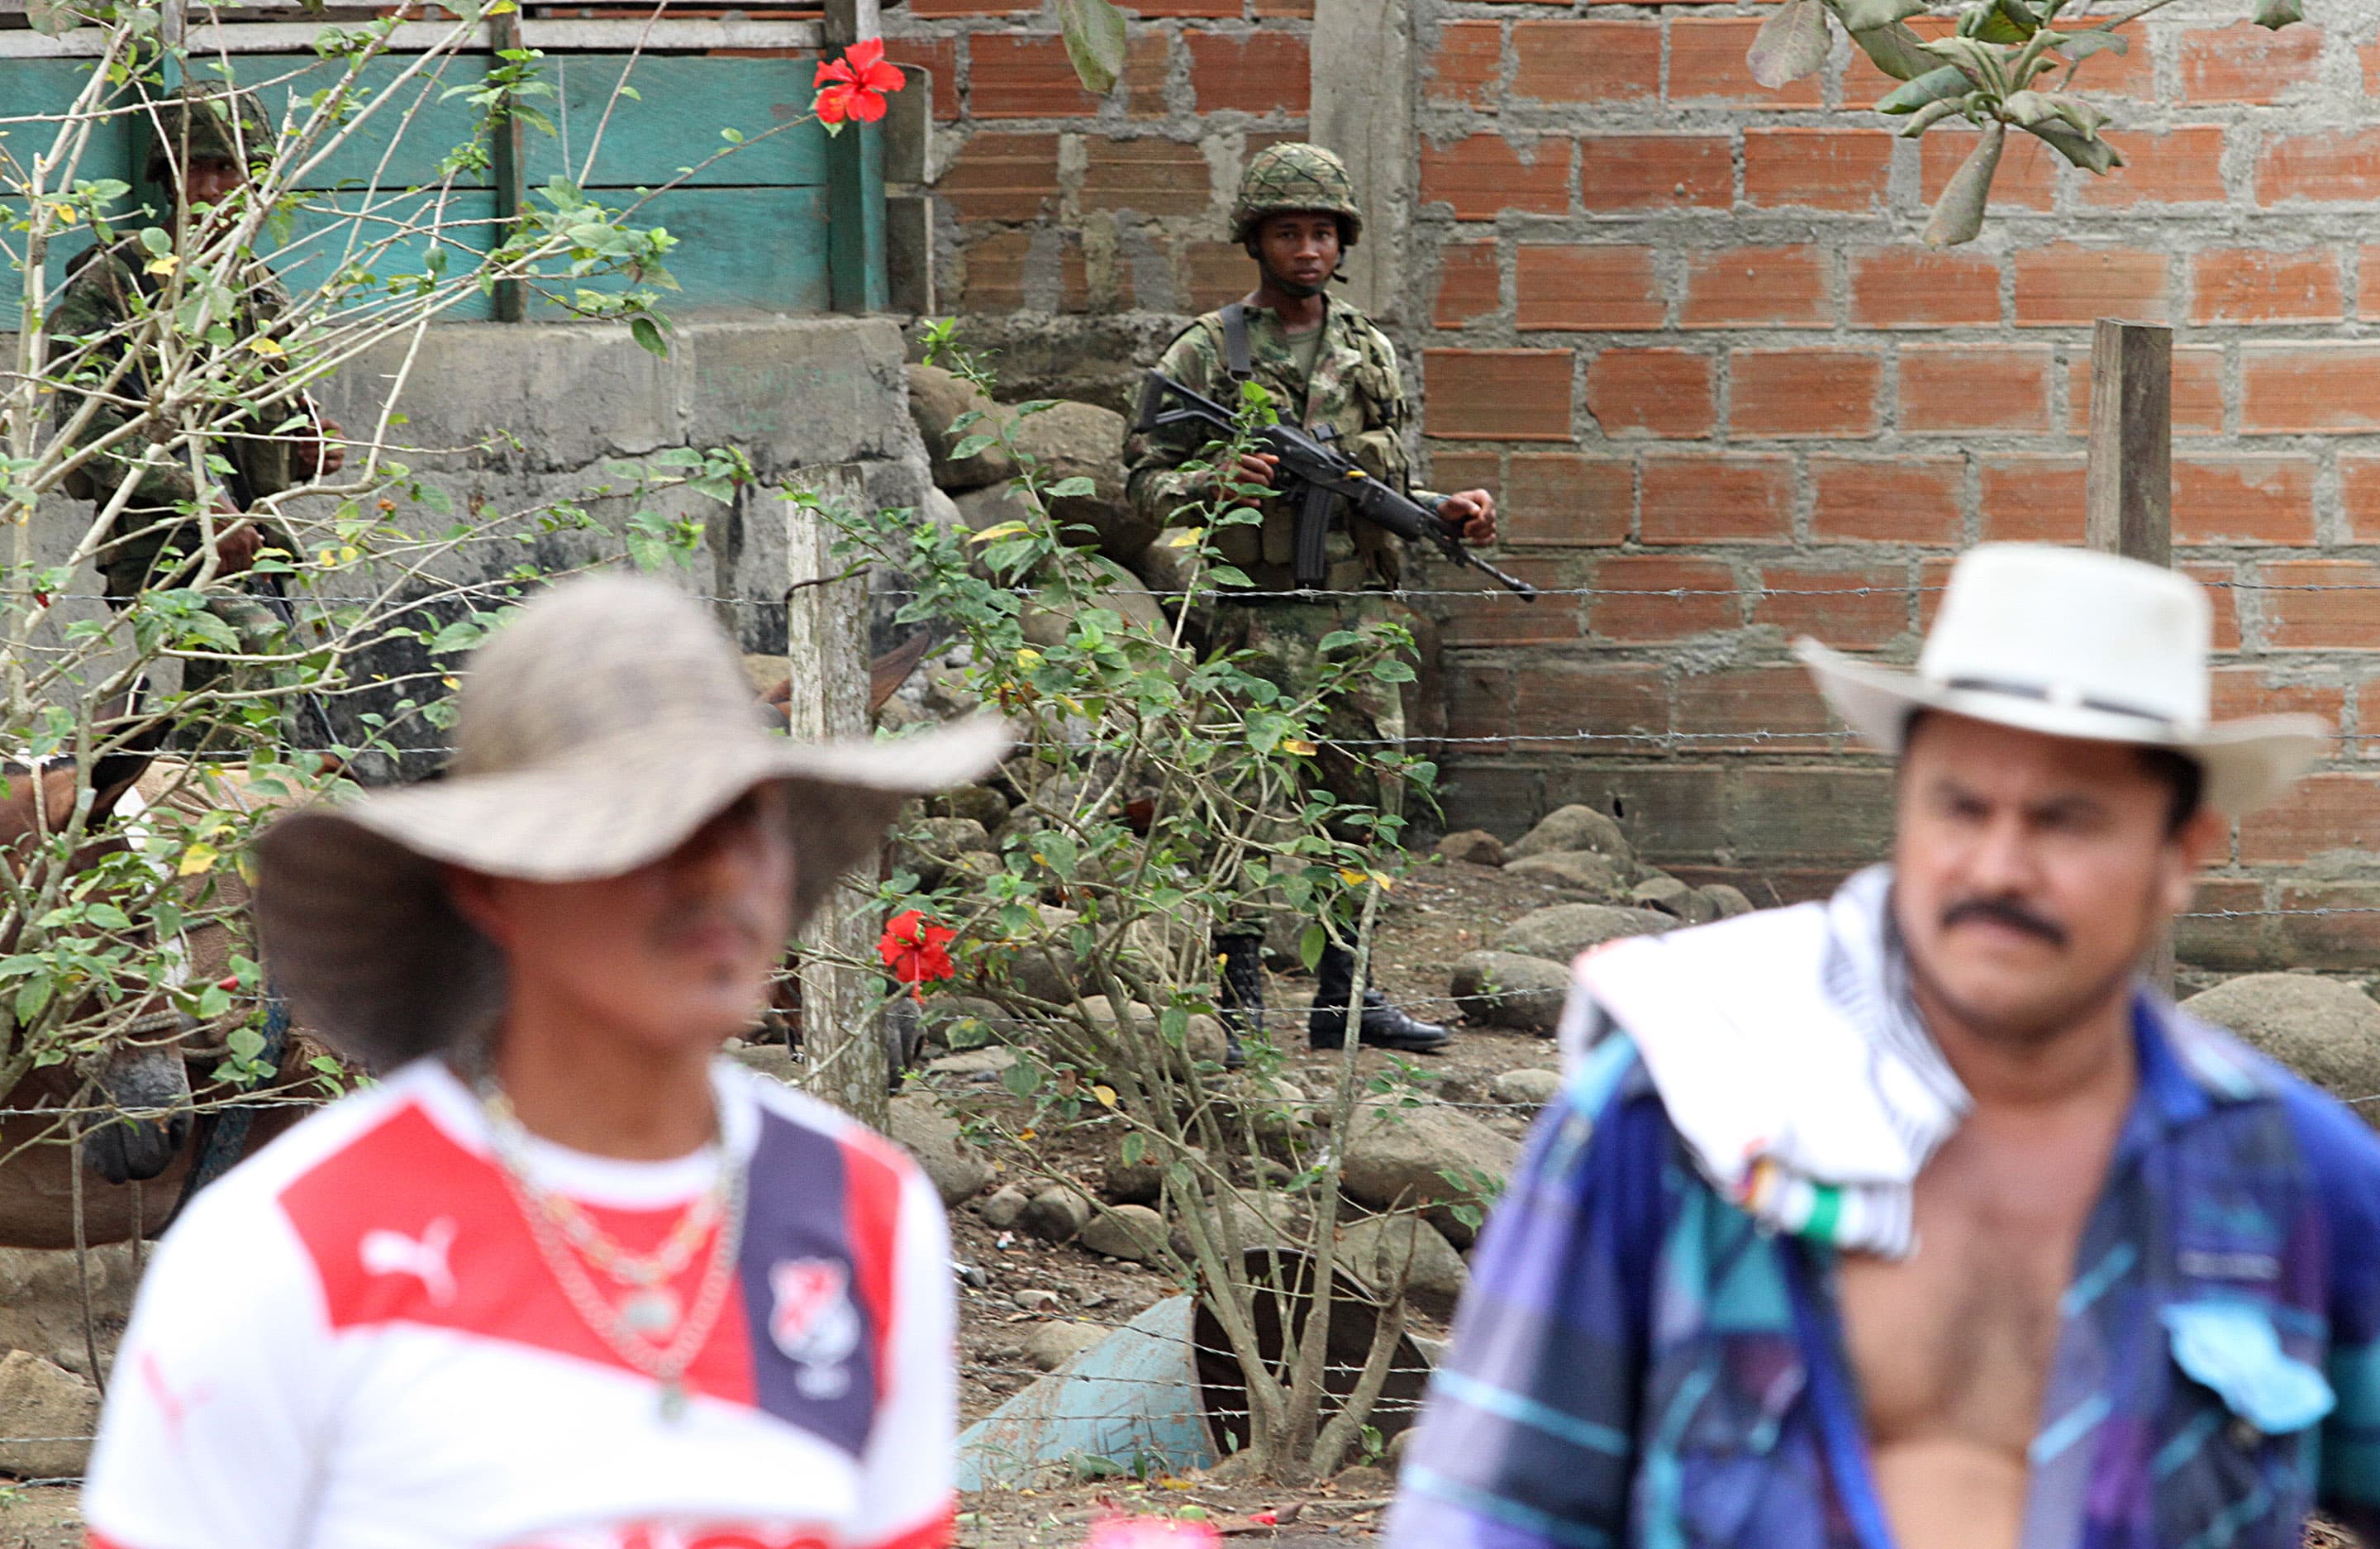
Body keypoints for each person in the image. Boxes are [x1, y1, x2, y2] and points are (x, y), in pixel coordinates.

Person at [1388, 545, 2380, 1549]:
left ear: (2180, 850)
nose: (2000, 866)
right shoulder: (1685, 1114)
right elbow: (1486, 1517)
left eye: (2067, 818)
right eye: (1960, 806)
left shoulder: (2301, 1185)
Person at [82, 575, 1008, 1549]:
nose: (727, 875)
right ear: (495, 886)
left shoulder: (861, 1211)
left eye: (751, 821)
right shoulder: (286, 1248)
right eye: (656, 830)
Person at [1122, 141, 1499, 1058]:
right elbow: (1141, 474)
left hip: (1355, 624)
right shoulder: (1208, 350)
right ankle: (1239, 1000)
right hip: (1246, 617)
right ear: (1256, 240)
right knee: (1237, 805)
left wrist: (1444, 512)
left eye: (1323, 232)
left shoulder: (1369, 350)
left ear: (1344, 241)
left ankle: (1348, 995)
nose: (1307, 249)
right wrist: (1217, 478)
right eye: (1287, 232)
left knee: (1364, 805)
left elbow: (1391, 468)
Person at [45, 85, 340, 732]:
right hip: (160, 542)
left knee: (266, 708)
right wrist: (198, 498)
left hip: (252, 545)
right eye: (195, 168)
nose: (210, 189)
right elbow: (83, 428)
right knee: (254, 648)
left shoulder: (258, 288)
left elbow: (277, 414)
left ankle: (215, 814)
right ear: (167, 176)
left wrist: (311, 445)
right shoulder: (111, 284)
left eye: (228, 169)